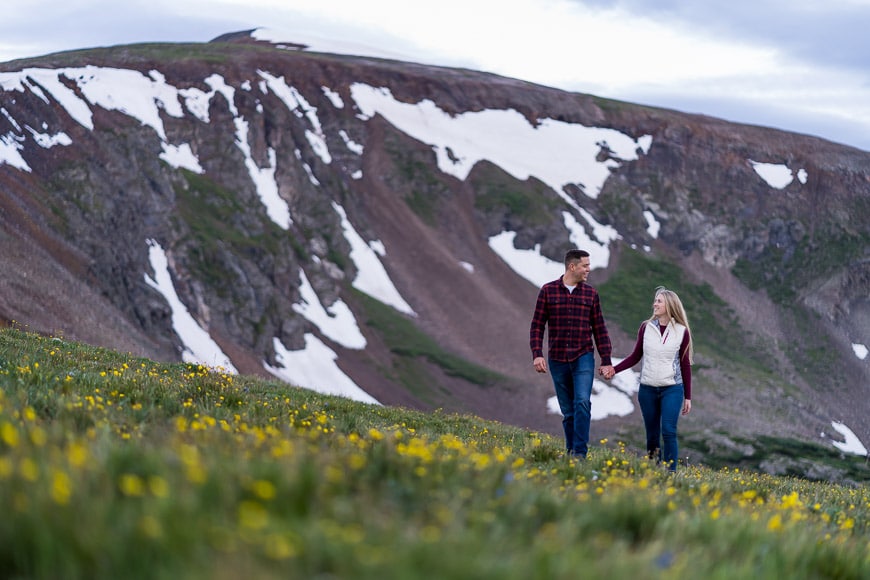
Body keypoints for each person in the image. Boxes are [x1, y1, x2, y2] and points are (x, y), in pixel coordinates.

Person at [530, 249, 614, 458]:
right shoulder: (548, 291)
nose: (588, 269)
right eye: (585, 265)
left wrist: (606, 360)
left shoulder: (591, 294)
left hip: (583, 357)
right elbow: (537, 326)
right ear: (572, 266)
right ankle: (570, 452)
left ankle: (580, 455)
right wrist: (537, 354)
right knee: (568, 412)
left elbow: (600, 329)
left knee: (582, 402)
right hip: (557, 359)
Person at [601, 286, 693, 471]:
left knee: (668, 430)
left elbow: (684, 364)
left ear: (669, 305)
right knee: (652, 435)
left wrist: (688, 397)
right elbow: (636, 356)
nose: (654, 304)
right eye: (655, 300)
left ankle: (671, 473)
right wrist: (614, 369)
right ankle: (654, 469)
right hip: (647, 390)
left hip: (672, 389)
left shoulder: (682, 331)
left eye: (659, 301)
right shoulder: (646, 328)